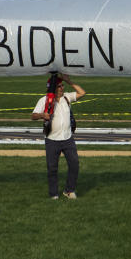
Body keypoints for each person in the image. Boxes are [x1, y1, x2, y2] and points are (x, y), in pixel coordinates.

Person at [33, 72, 86, 200]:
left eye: (62, 86)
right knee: (52, 169)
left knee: (74, 164)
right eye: (59, 86)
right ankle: (53, 194)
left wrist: (69, 81)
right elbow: (33, 115)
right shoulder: (44, 100)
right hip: (52, 140)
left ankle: (69, 190)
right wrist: (42, 115)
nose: (62, 88)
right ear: (52, 88)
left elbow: (82, 93)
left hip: (68, 139)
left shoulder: (67, 98)